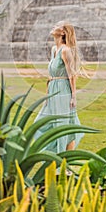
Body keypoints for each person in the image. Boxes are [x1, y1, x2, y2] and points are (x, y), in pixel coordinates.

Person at [34, 21, 84, 153]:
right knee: (42, 122)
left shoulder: (65, 51)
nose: (53, 27)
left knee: (63, 124)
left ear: (62, 32)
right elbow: (51, 76)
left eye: (57, 26)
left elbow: (72, 75)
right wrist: (47, 95)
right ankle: (53, 154)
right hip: (52, 90)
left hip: (63, 90)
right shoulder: (54, 49)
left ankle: (64, 161)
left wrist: (73, 97)